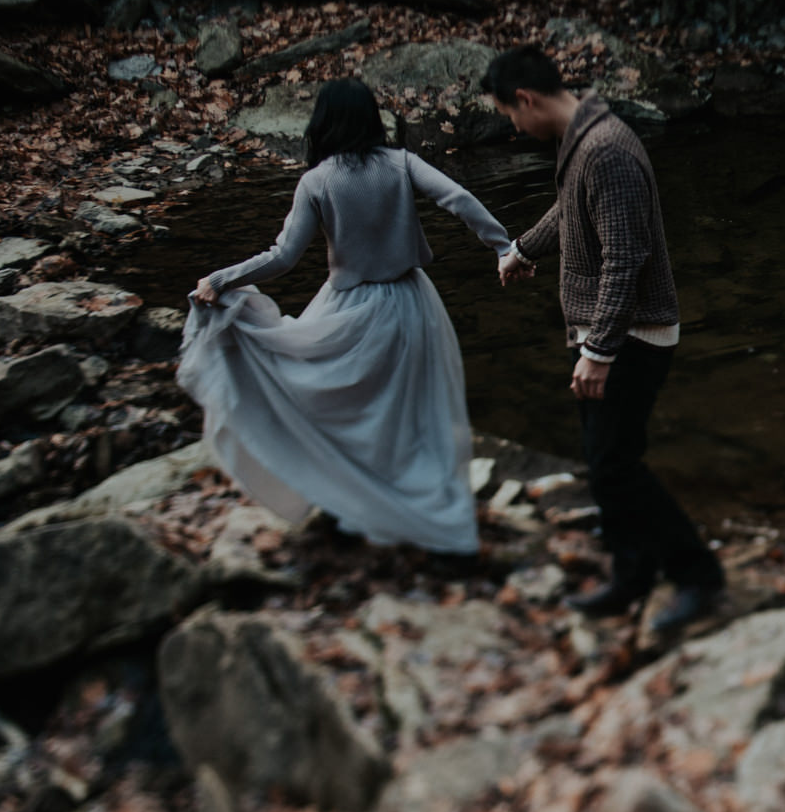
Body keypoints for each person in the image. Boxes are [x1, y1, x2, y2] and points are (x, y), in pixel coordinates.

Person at [179, 77, 514, 554]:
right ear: (370, 119)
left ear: (324, 122)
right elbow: (458, 199)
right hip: (413, 304)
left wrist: (223, 279)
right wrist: (503, 247)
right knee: (406, 412)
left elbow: (283, 257)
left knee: (339, 405)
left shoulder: (316, 181)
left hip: (351, 310)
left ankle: (354, 503)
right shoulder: (402, 163)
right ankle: (406, 509)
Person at [484, 43, 724, 631]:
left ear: (527, 99)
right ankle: (631, 574)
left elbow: (624, 258)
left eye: (511, 116)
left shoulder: (606, 149)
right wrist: (522, 249)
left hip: (629, 336)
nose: (513, 127)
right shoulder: (583, 138)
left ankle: (697, 577)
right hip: (607, 332)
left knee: (615, 465)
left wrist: (599, 352)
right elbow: (572, 212)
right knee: (604, 461)